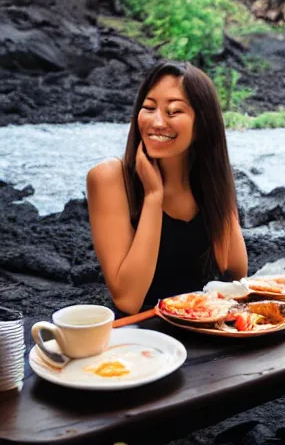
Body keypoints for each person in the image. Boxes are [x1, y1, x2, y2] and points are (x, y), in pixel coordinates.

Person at [86, 61, 248, 315]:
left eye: (173, 112)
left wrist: (218, 183)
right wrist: (153, 196)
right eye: (149, 108)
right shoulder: (110, 178)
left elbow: (235, 271)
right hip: (141, 336)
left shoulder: (209, 181)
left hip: (204, 325)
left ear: (202, 124)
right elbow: (128, 300)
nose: (157, 122)